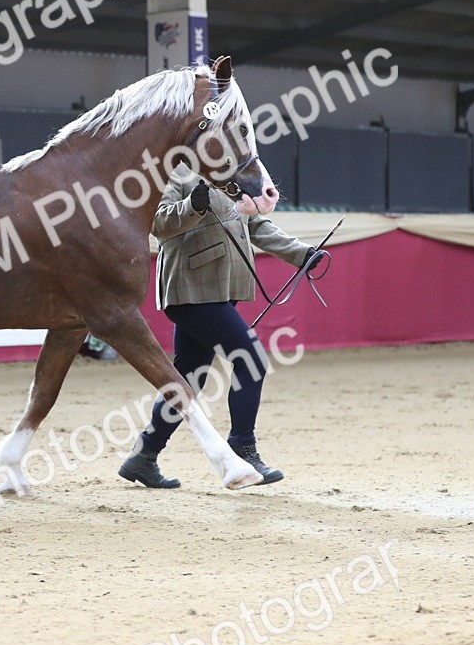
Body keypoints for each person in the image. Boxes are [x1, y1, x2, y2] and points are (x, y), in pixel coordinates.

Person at [118, 164, 327, 489]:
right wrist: (193, 206)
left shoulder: (235, 176)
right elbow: (157, 223)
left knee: (189, 377)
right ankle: (242, 446)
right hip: (189, 290)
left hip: (219, 290)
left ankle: (144, 456)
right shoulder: (176, 173)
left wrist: (302, 254)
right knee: (251, 361)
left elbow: (256, 225)